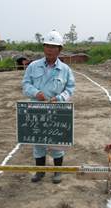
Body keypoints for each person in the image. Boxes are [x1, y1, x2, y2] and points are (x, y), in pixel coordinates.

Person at [22, 30, 76, 184]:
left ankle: (57, 172)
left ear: (60, 50)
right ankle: (40, 172)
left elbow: (70, 89)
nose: (49, 49)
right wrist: (35, 92)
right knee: (38, 142)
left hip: (57, 111)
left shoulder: (65, 70)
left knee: (57, 143)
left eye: (53, 47)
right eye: (46, 46)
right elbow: (26, 84)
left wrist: (59, 98)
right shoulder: (33, 66)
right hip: (37, 111)